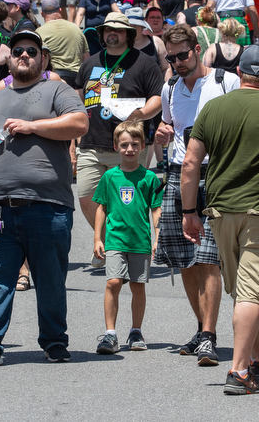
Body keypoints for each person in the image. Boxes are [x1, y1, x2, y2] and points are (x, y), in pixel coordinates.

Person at [0, 30, 88, 367]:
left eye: (31, 51)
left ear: (43, 58)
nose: (24, 56)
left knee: (50, 279)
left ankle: (54, 342)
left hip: (47, 204)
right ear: (10, 57)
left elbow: (79, 123)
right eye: (18, 50)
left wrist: (32, 127)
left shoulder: (56, 90)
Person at [182, 44, 259, 394]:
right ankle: (239, 371)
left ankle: (257, 359)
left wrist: (188, 212)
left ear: (240, 73)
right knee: (252, 291)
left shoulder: (213, 108)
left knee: (242, 289)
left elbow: (190, 164)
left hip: (220, 212)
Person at [151, 25, 241, 366]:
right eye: (171, 58)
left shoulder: (224, 82)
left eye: (183, 55)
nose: (178, 63)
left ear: (197, 49)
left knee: (208, 257)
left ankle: (209, 334)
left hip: (214, 174)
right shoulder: (170, 86)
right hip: (177, 173)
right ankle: (202, 328)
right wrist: (161, 133)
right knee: (182, 257)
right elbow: (167, 128)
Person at [75, 13, 163, 248]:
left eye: (119, 30)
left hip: (127, 145)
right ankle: (105, 242)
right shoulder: (90, 63)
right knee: (86, 198)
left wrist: (141, 114)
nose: (112, 33)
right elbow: (77, 101)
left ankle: (123, 247)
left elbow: (157, 97)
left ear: (128, 35)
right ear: (102, 34)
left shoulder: (144, 62)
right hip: (90, 143)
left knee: (127, 202)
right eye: (108, 30)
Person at [92, 119, 163, 355]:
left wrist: (156, 237)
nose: (129, 149)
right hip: (115, 239)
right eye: (124, 145)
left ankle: (136, 331)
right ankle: (110, 334)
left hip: (140, 241)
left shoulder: (149, 178)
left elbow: (155, 209)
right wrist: (97, 238)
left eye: (134, 144)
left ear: (143, 146)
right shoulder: (110, 177)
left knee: (137, 286)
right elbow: (101, 207)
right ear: (115, 147)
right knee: (113, 282)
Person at [37, 0, 90, 88]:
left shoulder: (39, 32)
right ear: (60, 10)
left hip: (52, 79)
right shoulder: (76, 29)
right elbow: (86, 60)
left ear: (42, 14)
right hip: (76, 79)